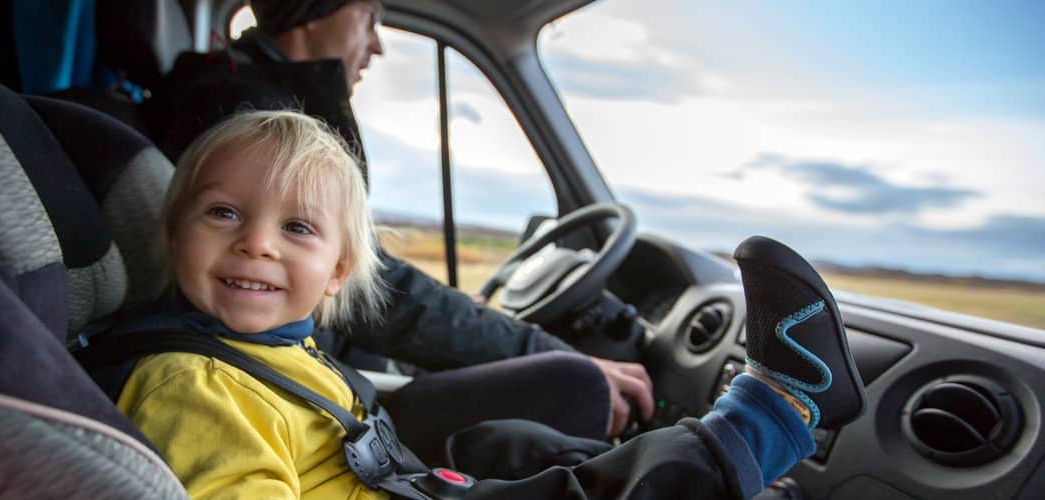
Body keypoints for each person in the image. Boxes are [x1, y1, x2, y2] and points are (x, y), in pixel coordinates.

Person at [114, 110, 867, 499]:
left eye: (297, 228)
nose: (257, 245)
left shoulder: (276, 349)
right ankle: (779, 413)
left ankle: (730, 477)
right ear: (173, 234)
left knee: (518, 447)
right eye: (222, 214)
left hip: (398, 480)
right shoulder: (194, 384)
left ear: (339, 271)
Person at [146, 0, 655, 452]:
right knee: (574, 386)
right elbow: (385, 295)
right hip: (331, 388)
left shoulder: (258, 96)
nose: (377, 45)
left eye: (297, 228)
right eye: (369, 16)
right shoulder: (250, 121)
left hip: (338, 376)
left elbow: (378, 286)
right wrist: (556, 354)